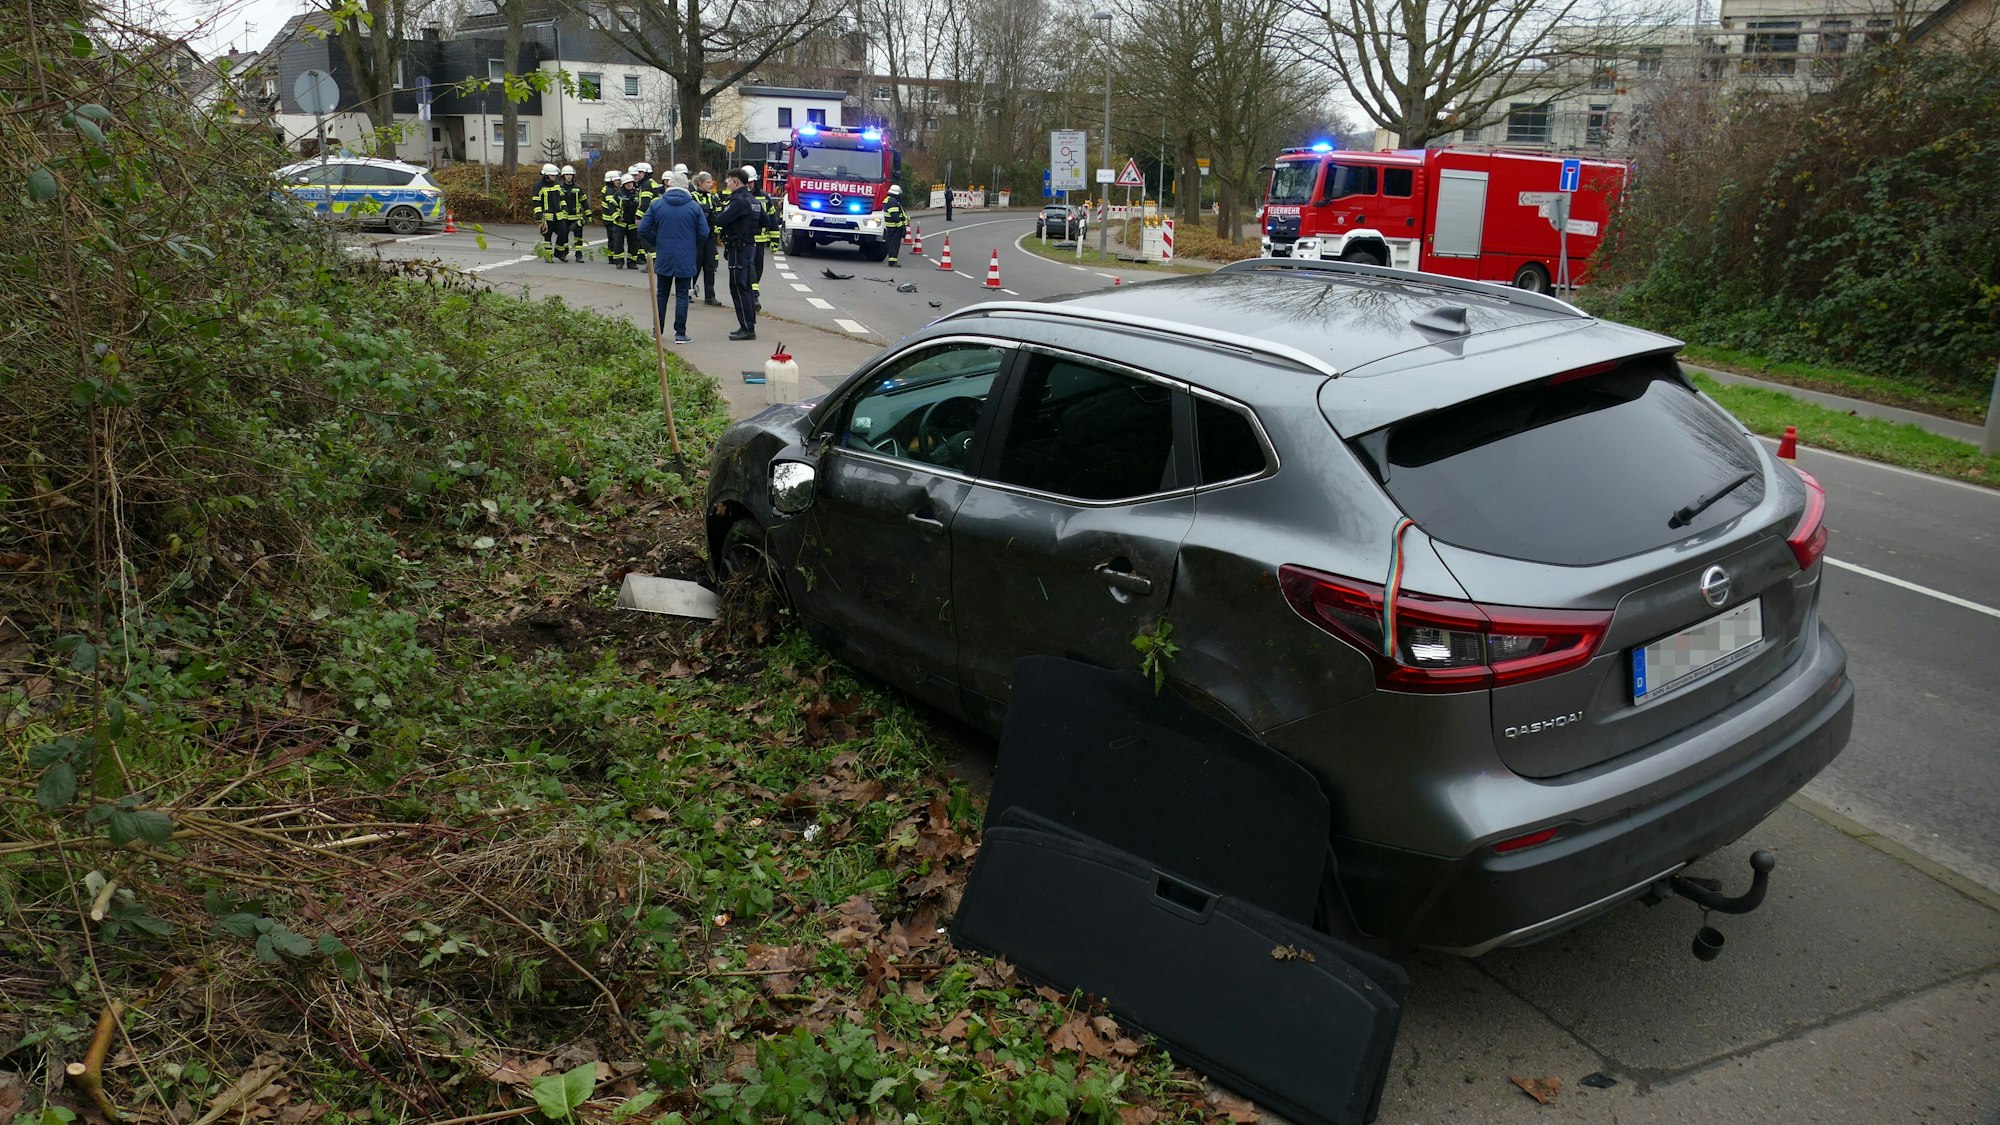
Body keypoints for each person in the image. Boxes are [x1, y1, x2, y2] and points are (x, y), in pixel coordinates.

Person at [637, 170, 710, 345]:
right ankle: (680, 333)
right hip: (686, 256)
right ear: (687, 187)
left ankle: (657, 332)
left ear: (669, 185)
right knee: (682, 294)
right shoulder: (694, 206)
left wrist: (658, 242)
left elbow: (642, 229)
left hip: (664, 255)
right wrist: (692, 245)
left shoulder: (657, 205)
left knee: (661, 294)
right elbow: (704, 232)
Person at [718, 167, 763, 341]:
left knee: (738, 286)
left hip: (739, 248)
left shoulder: (739, 201)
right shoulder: (753, 200)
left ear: (736, 181)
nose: (727, 184)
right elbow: (765, 220)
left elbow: (721, 219)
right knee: (745, 286)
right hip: (748, 247)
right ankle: (748, 325)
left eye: (729, 181)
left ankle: (747, 327)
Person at [690, 171, 724, 306]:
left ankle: (710, 296)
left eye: (711, 182)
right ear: (700, 183)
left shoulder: (714, 198)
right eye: (708, 182)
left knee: (710, 267)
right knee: (695, 266)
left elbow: (720, 215)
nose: (711, 185)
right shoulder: (692, 197)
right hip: (696, 238)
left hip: (710, 237)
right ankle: (688, 293)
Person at [746, 164, 774, 312]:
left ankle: (752, 292)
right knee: (749, 267)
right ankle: (754, 295)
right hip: (746, 240)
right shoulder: (740, 197)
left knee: (758, 268)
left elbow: (771, 218)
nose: (749, 185)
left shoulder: (764, 196)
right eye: (747, 182)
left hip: (761, 240)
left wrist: (774, 240)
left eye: (751, 182)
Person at [551, 164, 584, 262]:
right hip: (565, 217)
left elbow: (584, 201)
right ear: (563, 176)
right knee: (564, 235)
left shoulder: (578, 188)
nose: (569, 176)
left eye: (571, 174)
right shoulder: (559, 187)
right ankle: (563, 254)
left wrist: (588, 213)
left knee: (578, 237)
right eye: (567, 174)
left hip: (576, 216)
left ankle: (579, 256)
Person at [532, 163, 562, 255]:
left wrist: (564, 208)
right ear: (546, 175)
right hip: (546, 216)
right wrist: (538, 213)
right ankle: (548, 255)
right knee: (547, 237)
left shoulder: (557, 185)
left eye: (555, 175)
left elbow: (562, 198)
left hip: (558, 216)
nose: (554, 177)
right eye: (552, 175)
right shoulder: (538, 186)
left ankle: (559, 253)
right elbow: (536, 200)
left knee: (563, 233)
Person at [600, 169, 625, 267]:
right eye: (616, 180)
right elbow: (613, 206)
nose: (618, 182)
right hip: (610, 219)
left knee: (612, 239)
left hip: (609, 219)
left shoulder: (608, 189)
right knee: (613, 239)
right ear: (611, 181)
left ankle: (611, 257)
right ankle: (612, 258)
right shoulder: (610, 191)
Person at [883, 184, 908, 266]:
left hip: (891, 226)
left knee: (892, 243)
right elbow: (895, 215)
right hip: (894, 227)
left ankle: (892, 260)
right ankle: (892, 261)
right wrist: (901, 226)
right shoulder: (893, 201)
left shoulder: (888, 200)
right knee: (894, 244)